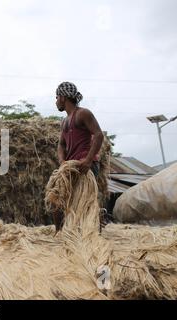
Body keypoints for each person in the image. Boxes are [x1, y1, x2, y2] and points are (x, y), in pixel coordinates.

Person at [53, 82, 105, 231]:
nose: (56, 101)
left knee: (86, 200)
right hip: (70, 166)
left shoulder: (83, 114)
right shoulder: (64, 121)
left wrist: (88, 160)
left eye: (56, 97)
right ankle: (60, 233)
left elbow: (98, 135)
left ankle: (94, 232)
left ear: (63, 98)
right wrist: (62, 161)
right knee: (57, 198)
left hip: (84, 165)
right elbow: (61, 145)